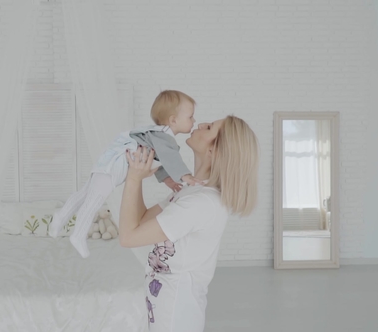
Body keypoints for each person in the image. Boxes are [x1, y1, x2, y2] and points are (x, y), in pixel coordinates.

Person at [119, 115, 259, 332]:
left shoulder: (201, 203)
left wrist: (133, 178)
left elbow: (128, 237)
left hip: (176, 312)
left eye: (209, 127)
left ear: (215, 151)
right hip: (165, 304)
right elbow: (141, 220)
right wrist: (137, 176)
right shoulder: (190, 191)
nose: (201, 124)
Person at [49, 90, 204, 258]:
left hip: (109, 162)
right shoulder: (164, 137)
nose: (194, 121)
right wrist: (184, 175)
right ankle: (78, 234)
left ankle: (60, 216)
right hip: (114, 165)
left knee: (85, 193)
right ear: (173, 120)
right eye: (190, 117)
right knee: (95, 199)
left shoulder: (157, 135)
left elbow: (159, 160)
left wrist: (167, 179)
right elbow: (170, 158)